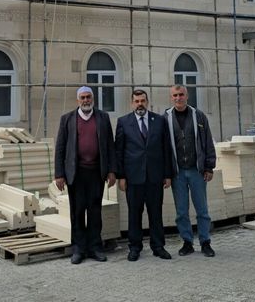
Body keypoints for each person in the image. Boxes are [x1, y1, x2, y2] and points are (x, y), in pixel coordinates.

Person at [55, 86, 117, 265]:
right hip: (76, 173)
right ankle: (78, 249)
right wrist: (59, 174)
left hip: (97, 172)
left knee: (95, 211)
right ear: (77, 100)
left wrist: (112, 171)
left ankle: (95, 247)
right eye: (82, 97)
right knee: (77, 211)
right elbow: (60, 148)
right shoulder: (67, 119)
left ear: (93, 98)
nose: (86, 100)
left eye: (88, 97)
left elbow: (110, 146)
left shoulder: (103, 118)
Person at [115, 88, 173, 261]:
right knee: (134, 213)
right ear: (132, 103)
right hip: (133, 178)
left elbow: (166, 149)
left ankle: (158, 246)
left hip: (155, 177)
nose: (140, 104)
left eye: (143, 100)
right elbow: (119, 151)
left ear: (147, 101)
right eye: (137, 101)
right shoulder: (123, 122)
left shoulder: (159, 121)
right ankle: (134, 247)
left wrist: (167, 174)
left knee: (155, 213)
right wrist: (121, 176)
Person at [164, 84, 217, 258]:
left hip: (196, 170)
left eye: (181, 95)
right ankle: (187, 242)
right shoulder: (166, 118)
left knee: (202, 209)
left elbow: (208, 142)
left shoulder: (199, 116)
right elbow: (162, 148)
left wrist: (209, 166)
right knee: (181, 211)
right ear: (171, 98)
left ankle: (205, 242)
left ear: (187, 96)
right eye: (175, 95)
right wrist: (166, 173)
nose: (178, 98)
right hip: (177, 172)